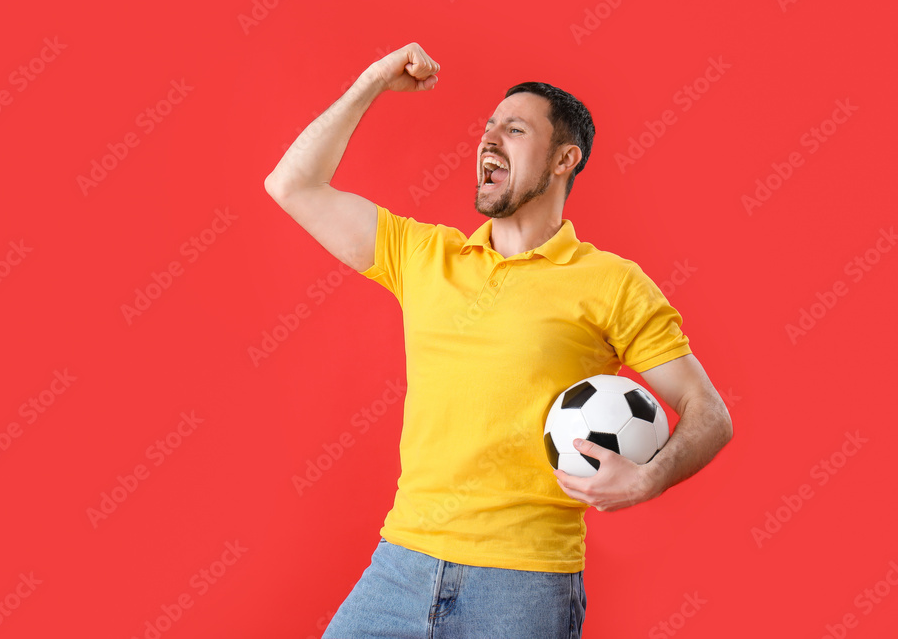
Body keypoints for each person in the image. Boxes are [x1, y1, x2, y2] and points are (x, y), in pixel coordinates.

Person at [265, 43, 733, 639]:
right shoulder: (425, 255)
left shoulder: (611, 283)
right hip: (401, 565)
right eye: (487, 129)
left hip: (524, 587)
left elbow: (709, 414)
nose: (489, 140)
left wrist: (648, 478)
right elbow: (292, 185)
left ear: (565, 158)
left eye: (513, 129)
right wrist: (373, 81)